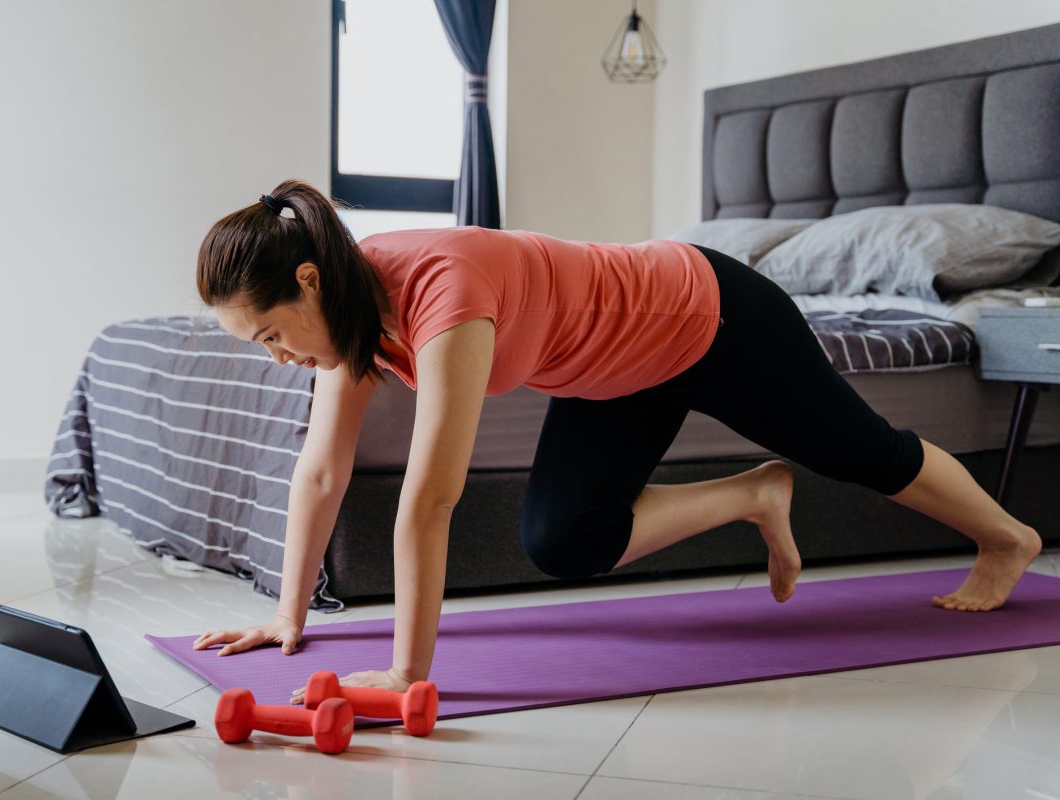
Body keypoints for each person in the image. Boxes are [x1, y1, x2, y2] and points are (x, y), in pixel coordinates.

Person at [191, 179, 1042, 702]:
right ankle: (754, 493)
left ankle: (1008, 537)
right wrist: (286, 616)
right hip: (617, 369)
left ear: (306, 280)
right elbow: (320, 471)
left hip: (710, 317)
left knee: (860, 454)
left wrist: (407, 672)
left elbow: (433, 498)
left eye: (270, 335)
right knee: (564, 541)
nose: (279, 356)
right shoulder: (344, 308)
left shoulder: (439, 291)